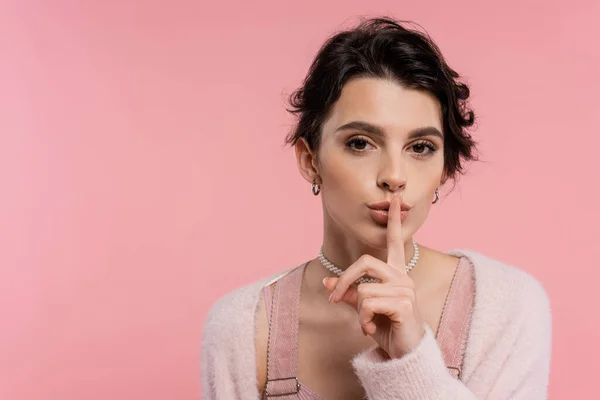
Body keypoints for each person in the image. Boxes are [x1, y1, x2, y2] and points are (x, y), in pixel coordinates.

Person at [201, 16, 552, 400]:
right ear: (309, 159)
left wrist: (410, 358)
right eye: (360, 143)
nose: (394, 176)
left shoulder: (505, 307)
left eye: (420, 147)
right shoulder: (242, 328)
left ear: (444, 168)